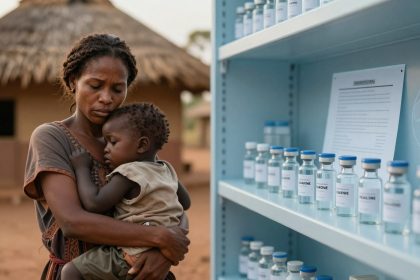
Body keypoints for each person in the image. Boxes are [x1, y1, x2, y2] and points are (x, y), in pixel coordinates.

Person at [23, 33, 190, 280]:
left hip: (141, 272)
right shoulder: (52, 138)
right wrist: (161, 237)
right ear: (73, 82)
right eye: (95, 85)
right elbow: (73, 222)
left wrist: (164, 254)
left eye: (117, 88)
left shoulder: (131, 141)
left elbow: (167, 200)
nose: (106, 98)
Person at [60, 102, 188, 279]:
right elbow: (185, 203)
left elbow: (94, 203)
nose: (106, 149)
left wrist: (81, 168)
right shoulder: (166, 169)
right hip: (160, 252)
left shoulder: (128, 173)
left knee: (70, 272)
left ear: (142, 145)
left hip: (130, 255)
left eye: (112, 142)